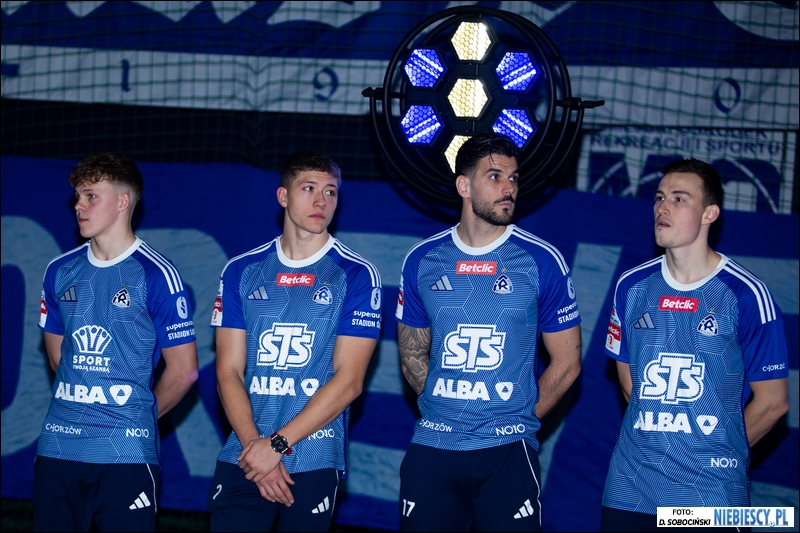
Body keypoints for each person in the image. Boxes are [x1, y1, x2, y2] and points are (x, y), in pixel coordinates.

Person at [395, 132, 582, 532]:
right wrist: (449, 411)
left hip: (507, 449)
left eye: (513, 178)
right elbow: (411, 355)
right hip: (435, 444)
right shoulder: (422, 259)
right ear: (464, 186)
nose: (509, 188)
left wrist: (518, 418)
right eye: (495, 177)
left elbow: (567, 363)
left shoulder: (541, 260)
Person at [601, 158, 790, 531]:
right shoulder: (631, 286)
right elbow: (630, 385)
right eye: (660, 197)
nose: (663, 208)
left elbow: (773, 403)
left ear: (709, 213)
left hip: (710, 494)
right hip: (630, 488)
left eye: (679, 199)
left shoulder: (746, 294)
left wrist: (717, 455)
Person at [207, 150, 381, 532]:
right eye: (308, 188)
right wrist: (256, 449)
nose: (321, 201)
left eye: (331, 191)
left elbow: (349, 381)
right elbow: (228, 372)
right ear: (283, 196)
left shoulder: (355, 274)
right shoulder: (242, 270)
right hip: (244, 454)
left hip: (313, 455)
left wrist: (276, 446)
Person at [35, 152, 199, 532]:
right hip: (59, 446)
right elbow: (59, 358)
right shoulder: (59, 270)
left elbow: (184, 372)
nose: (78, 205)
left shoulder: (157, 274)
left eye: (91, 196)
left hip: (125, 451)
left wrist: (137, 417)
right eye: (77, 196)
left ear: (123, 201)